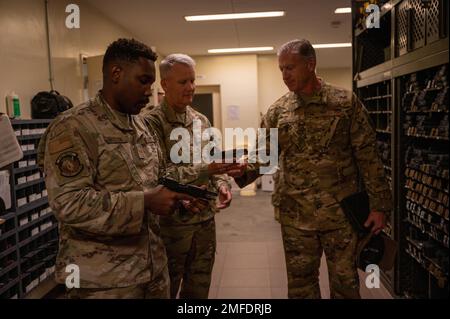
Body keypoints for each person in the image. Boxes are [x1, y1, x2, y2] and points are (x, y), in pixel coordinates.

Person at [37, 38, 204, 299]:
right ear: (116, 73)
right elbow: (68, 203)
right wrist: (145, 202)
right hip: (105, 282)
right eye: (143, 81)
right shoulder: (73, 127)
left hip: (153, 271)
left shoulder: (140, 126)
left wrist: (178, 197)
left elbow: (156, 178)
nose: (150, 90)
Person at [233, 39, 392, 299]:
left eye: (290, 68)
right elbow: (264, 157)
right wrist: (241, 170)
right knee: (300, 288)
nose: (285, 75)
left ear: (311, 64)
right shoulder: (278, 111)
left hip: (340, 215)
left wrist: (380, 206)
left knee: (345, 285)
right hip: (296, 217)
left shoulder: (345, 103)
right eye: (281, 69)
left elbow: (368, 156)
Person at [142, 54, 242, 299]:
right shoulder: (151, 123)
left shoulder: (201, 120)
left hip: (204, 221)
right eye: (183, 82)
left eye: (193, 81)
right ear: (164, 84)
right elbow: (154, 174)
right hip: (171, 227)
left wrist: (221, 184)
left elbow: (212, 159)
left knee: (198, 291)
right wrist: (205, 172)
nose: (191, 88)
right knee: (166, 290)